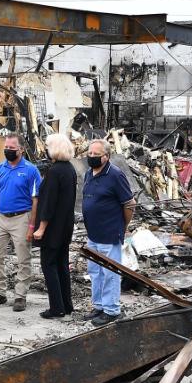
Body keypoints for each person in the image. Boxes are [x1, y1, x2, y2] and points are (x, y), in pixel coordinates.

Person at [0, 133, 41, 312]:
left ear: (21, 150)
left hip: (22, 218)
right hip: (1, 217)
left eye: (11, 148)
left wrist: (32, 226)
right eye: (6, 147)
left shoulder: (31, 171)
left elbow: (35, 200)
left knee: (23, 258)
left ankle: (20, 295)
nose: (7, 150)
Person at [82, 139, 135, 327]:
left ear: (106, 156)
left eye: (96, 155)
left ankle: (111, 310)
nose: (92, 157)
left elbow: (129, 204)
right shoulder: (89, 173)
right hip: (93, 234)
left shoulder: (115, 175)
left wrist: (122, 226)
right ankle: (98, 306)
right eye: (89, 154)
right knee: (95, 271)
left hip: (109, 233)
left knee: (110, 272)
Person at [33, 133, 76, 319]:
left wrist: (41, 228)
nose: (46, 149)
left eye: (48, 146)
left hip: (52, 229)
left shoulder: (54, 171)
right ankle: (66, 304)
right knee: (61, 265)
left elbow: (49, 203)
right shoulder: (70, 169)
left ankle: (56, 307)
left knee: (49, 265)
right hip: (65, 225)